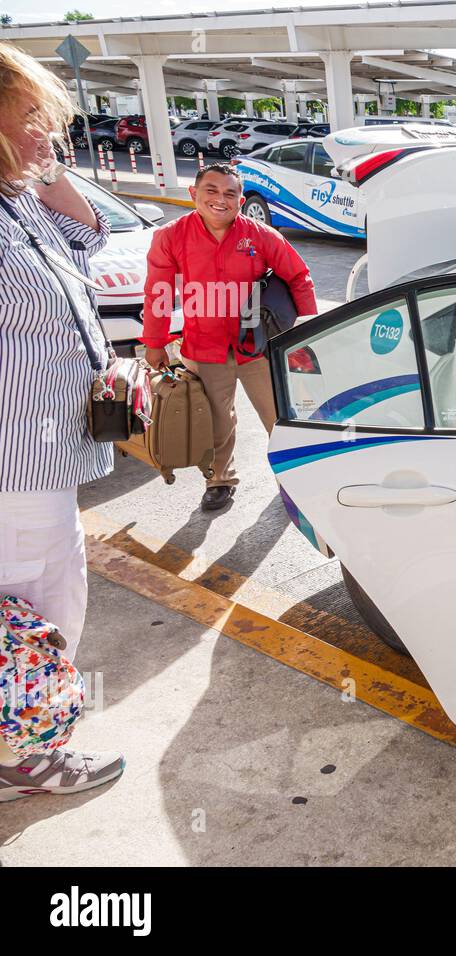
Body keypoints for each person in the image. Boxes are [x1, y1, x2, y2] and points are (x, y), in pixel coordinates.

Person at [0, 41, 125, 798]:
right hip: (15, 464)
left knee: (44, 597)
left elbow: (91, 236)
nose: (48, 128)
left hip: (44, 456)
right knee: (43, 604)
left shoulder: (18, 198)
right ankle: (25, 755)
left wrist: (43, 165)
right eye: (32, 115)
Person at [141, 163, 316, 511]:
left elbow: (299, 277)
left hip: (258, 347)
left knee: (280, 417)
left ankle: (295, 479)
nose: (220, 200)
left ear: (239, 200)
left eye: (230, 193)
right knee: (217, 422)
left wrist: (306, 331)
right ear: (194, 194)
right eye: (212, 190)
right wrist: (154, 342)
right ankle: (219, 480)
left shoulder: (261, 235)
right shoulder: (171, 236)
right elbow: (158, 291)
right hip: (204, 348)